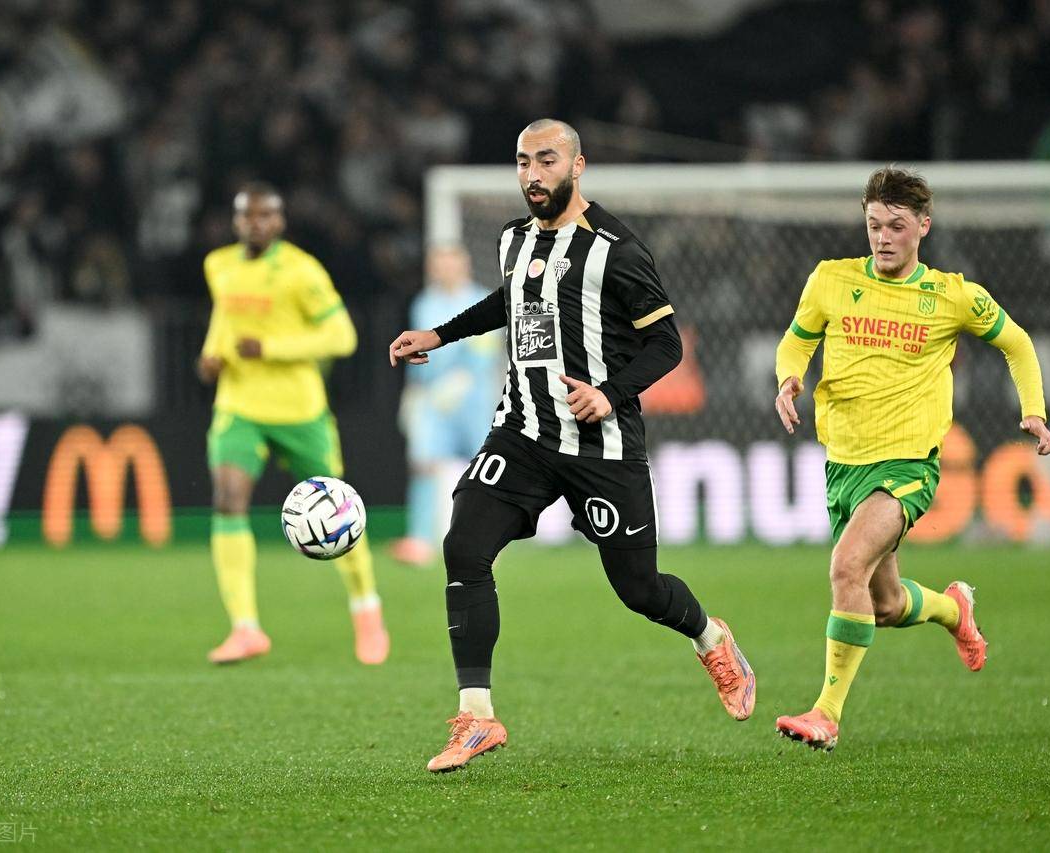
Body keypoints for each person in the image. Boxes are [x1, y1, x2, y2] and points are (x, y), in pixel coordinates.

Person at [389, 119, 755, 773]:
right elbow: (510, 301)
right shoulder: (513, 238)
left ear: (578, 165)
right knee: (464, 544)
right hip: (524, 433)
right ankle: (477, 716)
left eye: (547, 160)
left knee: (640, 588)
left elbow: (666, 343)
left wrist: (610, 394)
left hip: (601, 445)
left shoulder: (617, 249)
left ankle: (710, 637)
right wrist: (439, 336)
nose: (533, 175)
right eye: (523, 161)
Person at [772, 166, 1050, 751]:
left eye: (896, 226)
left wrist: (1033, 410)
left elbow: (1018, 343)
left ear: (923, 226)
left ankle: (827, 713)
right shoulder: (830, 280)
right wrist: (789, 378)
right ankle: (953, 610)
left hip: (907, 466)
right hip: (843, 464)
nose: (882, 237)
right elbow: (798, 339)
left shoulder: (952, 296)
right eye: (874, 224)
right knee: (883, 604)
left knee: (846, 567)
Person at [199, 182, 388, 666]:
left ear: (280, 221)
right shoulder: (218, 265)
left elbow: (342, 336)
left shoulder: (302, 271)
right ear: (236, 221)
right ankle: (245, 628)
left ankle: (366, 608)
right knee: (227, 500)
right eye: (247, 215)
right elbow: (225, 319)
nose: (256, 223)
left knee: (339, 514)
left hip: (299, 410)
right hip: (239, 405)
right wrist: (211, 355)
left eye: (266, 215)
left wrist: (271, 349)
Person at [391, 245, 503, 566]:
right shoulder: (424, 303)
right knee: (423, 465)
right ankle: (420, 540)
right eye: (438, 263)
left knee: (483, 470)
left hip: (473, 399)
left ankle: (488, 541)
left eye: (450, 262)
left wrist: (461, 380)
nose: (444, 269)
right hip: (432, 401)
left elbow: (486, 350)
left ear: (464, 264)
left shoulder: (482, 299)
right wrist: (412, 393)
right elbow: (415, 351)